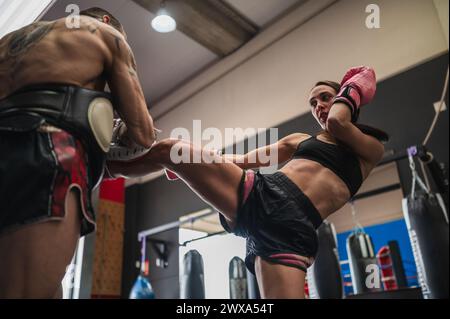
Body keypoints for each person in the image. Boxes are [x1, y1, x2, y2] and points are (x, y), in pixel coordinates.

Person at [108, 66, 387, 299]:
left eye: (325, 98)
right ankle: (107, 165)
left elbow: (339, 122)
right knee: (170, 149)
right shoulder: (300, 140)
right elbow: (244, 160)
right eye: (313, 104)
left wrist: (354, 85)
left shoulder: (370, 149)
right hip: (263, 195)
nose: (319, 107)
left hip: (293, 228)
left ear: (343, 100)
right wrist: (194, 163)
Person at [0, 7, 156, 298]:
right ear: (108, 20)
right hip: (46, 152)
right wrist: (116, 126)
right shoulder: (106, 34)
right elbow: (143, 134)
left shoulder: (10, 40)